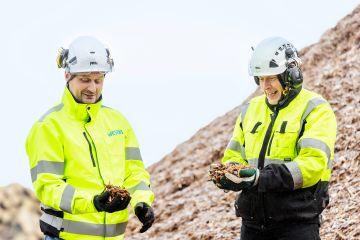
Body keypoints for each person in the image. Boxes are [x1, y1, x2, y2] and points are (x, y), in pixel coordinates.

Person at [26, 36, 155, 240]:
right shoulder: (48, 127)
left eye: (98, 80)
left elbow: (134, 172)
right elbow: (49, 187)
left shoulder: (118, 122)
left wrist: (142, 202)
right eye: (84, 79)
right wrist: (92, 202)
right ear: (67, 75)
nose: (92, 88)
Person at [211, 37, 337, 240]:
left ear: (291, 74)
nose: (265, 86)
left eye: (271, 77)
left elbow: (312, 165)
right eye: (260, 79)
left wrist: (260, 177)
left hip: (295, 225)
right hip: (252, 224)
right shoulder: (251, 109)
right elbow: (234, 154)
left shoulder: (316, 109)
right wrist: (230, 173)